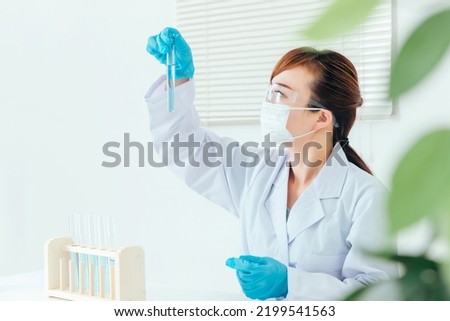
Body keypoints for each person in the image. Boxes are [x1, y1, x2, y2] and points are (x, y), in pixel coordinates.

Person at [144, 27, 393, 300]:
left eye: (281, 94)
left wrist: (293, 284)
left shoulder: (368, 198)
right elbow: (183, 148)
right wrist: (177, 78)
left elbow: (379, 296)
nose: (268, 104)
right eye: (270, 92)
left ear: (321, 118)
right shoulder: (258, 173)